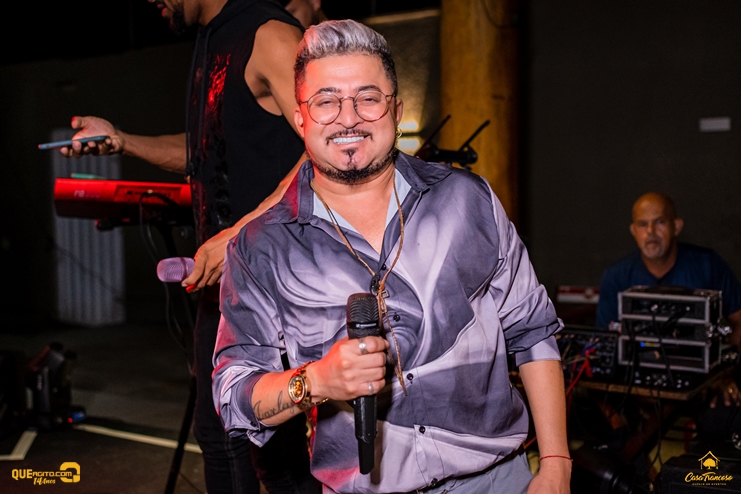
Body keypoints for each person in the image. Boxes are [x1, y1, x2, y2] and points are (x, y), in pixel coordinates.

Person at [213, 19, 572, 494]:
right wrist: (315, 381)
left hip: (499, 480)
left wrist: (557, 462)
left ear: (396, 110)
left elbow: (533, 331)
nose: (348, 118)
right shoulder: (261, 246)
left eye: (368, 98)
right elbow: (233, 394)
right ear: (300, 118)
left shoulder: (466, 200)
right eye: (326, 101)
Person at [61, 1, 323, 493]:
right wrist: (120, 140)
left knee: (277, 455)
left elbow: (327, 146)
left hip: (275, 283)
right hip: (221, 287)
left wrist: (241, 233)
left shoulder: (269, 35)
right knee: (220, 435)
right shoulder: (209, 41)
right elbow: (203, 150)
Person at [595, 191, 741, 407]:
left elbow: (739, 320)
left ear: (677, 226)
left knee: (725, 411)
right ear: (633, 231)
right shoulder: (616, 276)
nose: (650, 231)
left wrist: (724, 373)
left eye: (660, 222)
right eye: (643, 224)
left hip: (702, 382)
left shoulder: (707, 265)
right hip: (635, 385)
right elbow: (605, 340)